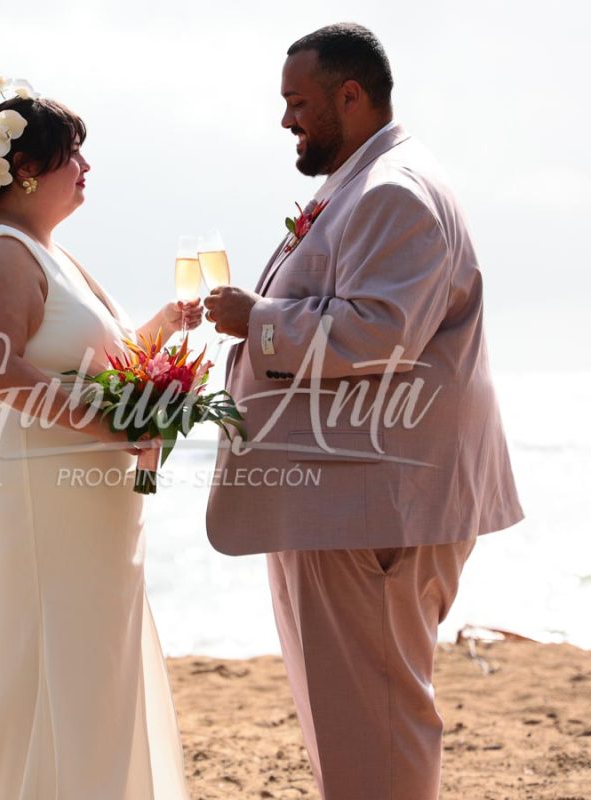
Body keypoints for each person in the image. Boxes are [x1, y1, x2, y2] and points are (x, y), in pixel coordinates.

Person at [204, 23, 523, 800]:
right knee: (355, 720)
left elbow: (377, 334)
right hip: (349, 502)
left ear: (351, 95)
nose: (287, 120)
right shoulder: (365, 180)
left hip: (366, 508)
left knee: (373, 722)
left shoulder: (392, 190)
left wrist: (258, 319)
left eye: (299, 102)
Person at [0, 91, 198, 797]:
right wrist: (120, 427)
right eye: (71, 153)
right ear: (23, 168)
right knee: (47, 665)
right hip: (35, 488)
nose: (86, 166)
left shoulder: (55, 256)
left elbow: (101, 367)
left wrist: (164, 330)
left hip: (88, 499)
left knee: (95, 664)